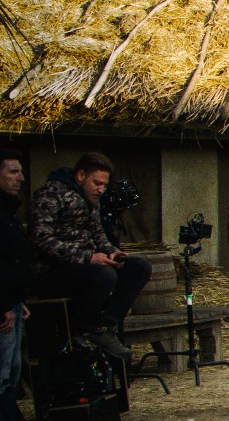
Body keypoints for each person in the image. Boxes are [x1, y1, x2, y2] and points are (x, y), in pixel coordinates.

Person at [28, 151, 151, 361]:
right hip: (52, 271)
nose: (101, 189)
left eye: (104, 185)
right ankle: (78, 333)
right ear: (81, 175)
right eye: (97, 183)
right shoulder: (50, 195)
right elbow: (41, 240)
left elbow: (97, 233)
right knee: (104, 275)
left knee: (139, 267)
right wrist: (88, 258)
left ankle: (102, 328)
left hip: (85, 267)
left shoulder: (91, 199)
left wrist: (112, 252)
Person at [0, 146, 45, 421]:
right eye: (13, 172)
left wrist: (18, 300)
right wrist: (3, 304)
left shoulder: (8, 212)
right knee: (2, 376)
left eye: (20, 171)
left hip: (12, 305)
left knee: (11, 376)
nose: (21, 178)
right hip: (2, 309)